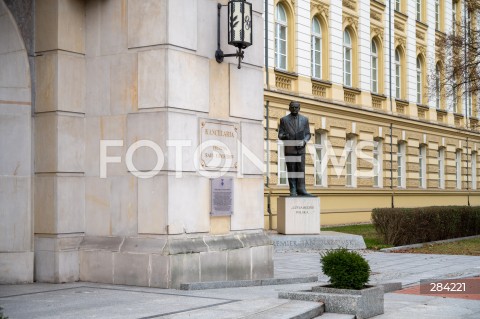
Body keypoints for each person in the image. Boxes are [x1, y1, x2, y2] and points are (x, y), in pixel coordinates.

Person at [278, 101, 313, 197]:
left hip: (300, 149)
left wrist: (304, 141)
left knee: (300, 170)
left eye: (296, 107)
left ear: (299, 108)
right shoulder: (284, 120)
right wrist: (285, 136)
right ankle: (293, 189)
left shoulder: (304, 120)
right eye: (292, 107)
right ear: (289, 108)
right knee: (292, 170)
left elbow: (308, 134)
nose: (294, 109)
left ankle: (301, 189)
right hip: (290, 148)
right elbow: (280, 135)